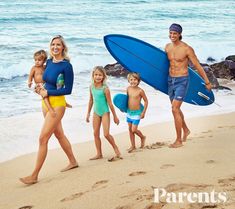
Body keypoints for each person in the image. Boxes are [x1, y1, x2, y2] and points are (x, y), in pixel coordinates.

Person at [20, 35, 78, 185]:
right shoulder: (49, 62)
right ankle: (73, 161)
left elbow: (68, 89)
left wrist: (48, 93)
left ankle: (34, 176)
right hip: (45, 103)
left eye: (58, 44)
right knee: (59, 134)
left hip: (58, 104)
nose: (55, 47)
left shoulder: (66, 66)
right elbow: (45, 81)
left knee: (43, 138)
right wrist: (40, 89)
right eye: (53, 44)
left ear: (63, 47)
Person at [165, 23, 212, 148]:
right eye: (170, 33)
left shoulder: (187, 49)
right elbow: (162, 65)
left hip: (182, 80)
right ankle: (186, 130)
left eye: (175, 33)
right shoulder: (167, 47)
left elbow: (197, 66)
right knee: (176, 109)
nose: (172, 35)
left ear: (180, 34)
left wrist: (207, 82)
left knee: (174, 109)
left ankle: (178, 140)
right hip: (170, 80)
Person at [86, 66, 122, 161]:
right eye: (96, 75)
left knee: (106, 134)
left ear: (103, 76)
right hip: (96, 113)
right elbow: (91, 101)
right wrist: (88, 114)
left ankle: (115, 147)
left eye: (100, 75)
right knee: (95, 133)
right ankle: (99, 153)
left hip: (105, 112)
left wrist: (115, 116)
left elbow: (110, 103)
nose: (98, 77)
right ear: (93, 76)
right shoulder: (91, 87)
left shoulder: (105, 89)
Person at [28, 50, 72, 118]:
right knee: (44, 96)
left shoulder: (46, 66)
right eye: (35, 60)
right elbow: (30, 76)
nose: (37, 61)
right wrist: (29, 82)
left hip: (44, 84)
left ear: (44, 60)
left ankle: (64, 102)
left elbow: (51, 72)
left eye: (39, 60)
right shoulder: (34, 68)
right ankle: (50, 109)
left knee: (47, 92)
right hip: (38, 85)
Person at [126, 72, 148, 153]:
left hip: (137, 113)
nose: (133, 81)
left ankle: (142, 137)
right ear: (129, 80)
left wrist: (143, 112)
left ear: (138, 81)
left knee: (134, 129)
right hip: (129, 112)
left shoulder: (140, 91)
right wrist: (123, 108)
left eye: (135, 79)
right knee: (130, 129)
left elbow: (146, 101)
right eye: (131, 79)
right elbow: (126, 100)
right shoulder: (128, 89)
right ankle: (133, 146)